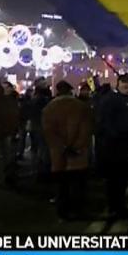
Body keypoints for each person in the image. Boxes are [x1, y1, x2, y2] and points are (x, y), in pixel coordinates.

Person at [42, 80, 93, 220]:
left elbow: (49, 132)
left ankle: (62, 212)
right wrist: (76, 146)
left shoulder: (49, 108)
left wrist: (61, 147)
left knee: (61, 185)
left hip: (58, 153)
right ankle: (78, 210)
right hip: (78, 153)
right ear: (71, 91)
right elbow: (85, 131)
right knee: (78, 184)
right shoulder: (81, 107)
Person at [97, 74, 128, 218]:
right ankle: (114, 207)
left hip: (127, 145)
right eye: (124, 84)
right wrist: (114, 136)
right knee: (114, 179)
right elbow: (105, 121)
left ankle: (119, 206)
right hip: (114, 146)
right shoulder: (110, 100)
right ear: (118, 84)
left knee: (122, 178)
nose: (127, 86)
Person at [29, 78, 52, 179]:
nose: (45, 83)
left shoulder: (42, 95)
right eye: (43, 82)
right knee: (42, 149)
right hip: (40, 125)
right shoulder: (40, 97)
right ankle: (42, 171)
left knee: (43, 149)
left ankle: (42, 170)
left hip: (41, 125)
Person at [17, 88, 34, 160]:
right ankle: (33, 151)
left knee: (22, 139)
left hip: (22, 122)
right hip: (29, 121)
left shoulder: (22, 101)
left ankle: (20, 153)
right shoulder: (32, 102)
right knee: (33, 137)